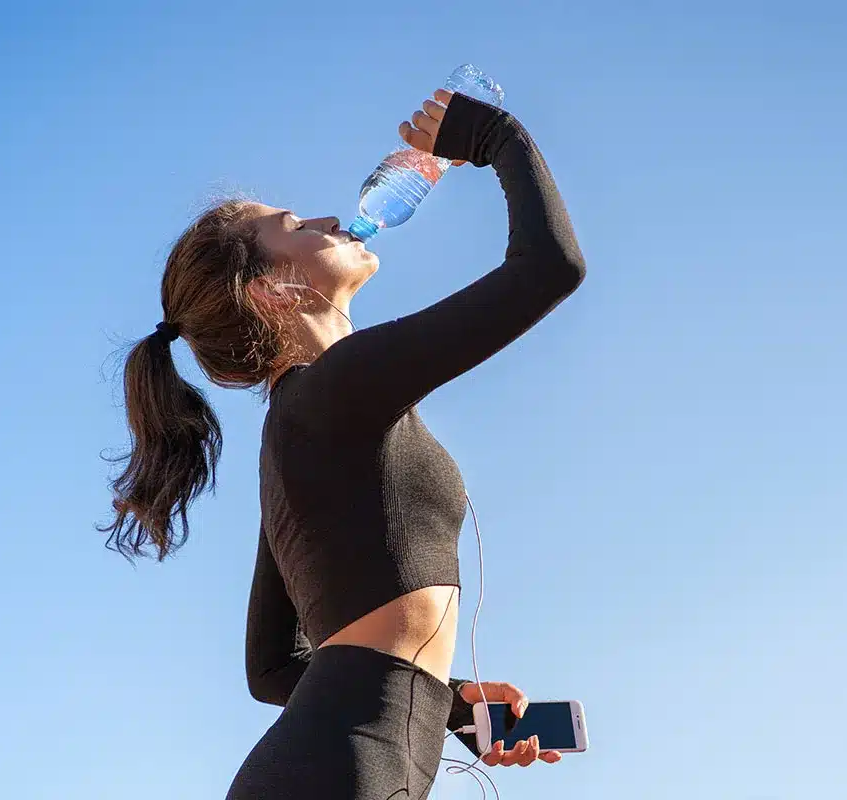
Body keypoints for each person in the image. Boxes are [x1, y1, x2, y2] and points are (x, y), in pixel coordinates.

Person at [101, 87, 586, 799]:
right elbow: (550, 268)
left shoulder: (300, 428)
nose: (328, 218)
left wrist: (452, 706)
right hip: (342, 772)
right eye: (295, 224)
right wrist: (496, 136)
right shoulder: (332, 389)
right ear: (271, 290)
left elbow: (270, 669)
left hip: (331, 767)